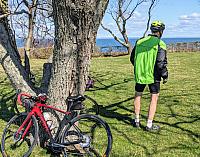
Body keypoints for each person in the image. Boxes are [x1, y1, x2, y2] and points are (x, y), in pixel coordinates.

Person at [130, 21, 168, 132]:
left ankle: (136, 121)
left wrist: (139, 68)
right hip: (153, 75)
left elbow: (133, 58)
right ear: (161, 31)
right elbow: (160, 63)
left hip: (140, 74)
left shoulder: (139, 41)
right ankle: (149, 124)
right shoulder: (160, 44)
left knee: (138, 95)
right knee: (154, 98)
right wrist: (165, 75)